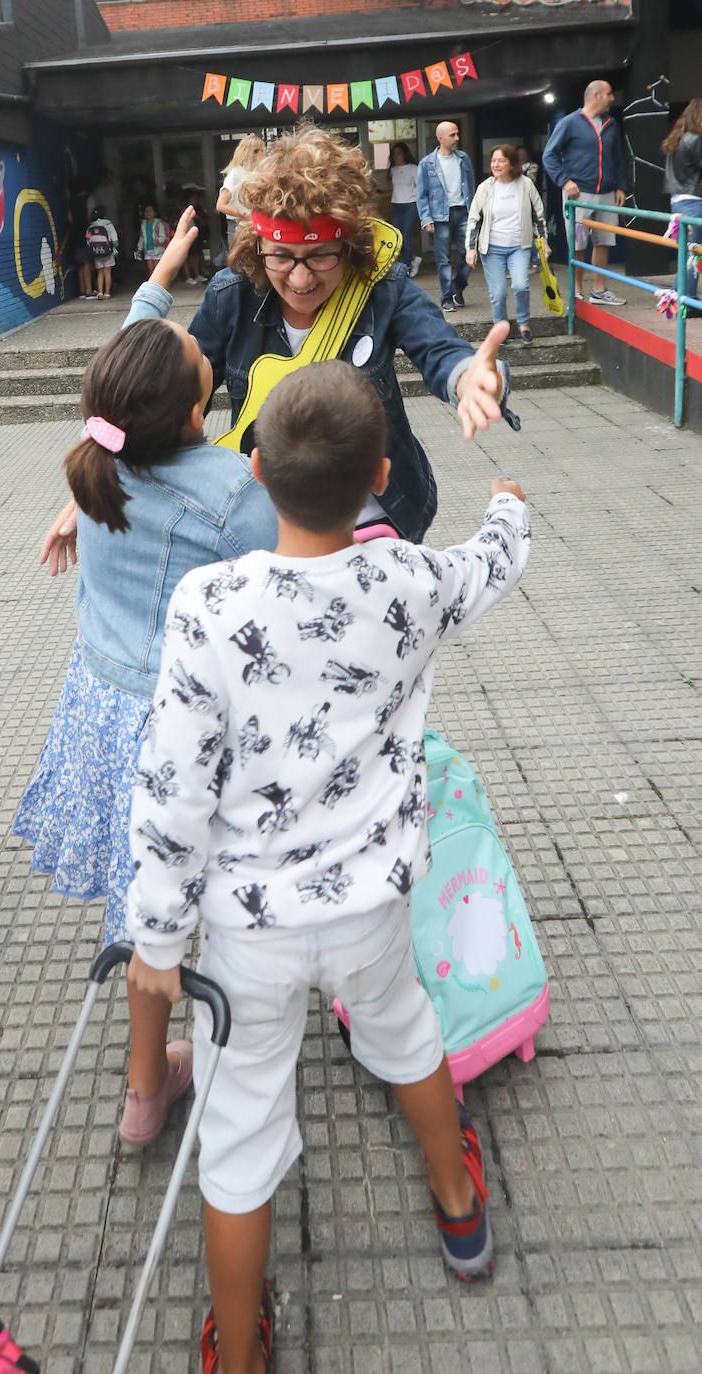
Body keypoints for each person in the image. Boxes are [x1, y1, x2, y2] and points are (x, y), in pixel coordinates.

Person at [125, 359, 530, 1374]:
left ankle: (240, 1350)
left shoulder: (207, 605)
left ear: (252, 468)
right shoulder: (408, 580)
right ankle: (458, 1206)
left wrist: (156, 936)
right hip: (371, 911)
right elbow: (492, 559)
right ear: (381, 474)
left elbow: (172, 785)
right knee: (405, 1034)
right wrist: (508, 508)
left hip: (243, 935)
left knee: (241, 1128)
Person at [14, 212, 279, 1148]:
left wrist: (164, 269)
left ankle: (141, 1088)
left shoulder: (102, 457)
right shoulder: (234, 497)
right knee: (187, 916)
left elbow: (137, 345)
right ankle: (203, 1069)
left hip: (100, 711)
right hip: (185, 736)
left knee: (140, 910)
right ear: (197, 412)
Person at [184, 123, 511, 547]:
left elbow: (439, 348)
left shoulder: (381, 287)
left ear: (349, 247)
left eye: (320, 256)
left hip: (379, 523)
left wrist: (470, 378)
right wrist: (110, 478)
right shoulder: (231, 297)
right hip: (270, 530)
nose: (300, 279)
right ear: (258, 246)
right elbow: (175, 403)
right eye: (281, 256)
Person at [542, 79, 628, 306]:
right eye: (609, 94)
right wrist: (564, 181)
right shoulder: (570, 122)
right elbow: (548, 155)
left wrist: (621, 186)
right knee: (578, 242)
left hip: (607, 193)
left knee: (605, 241)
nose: (612, 98)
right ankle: (577, 291)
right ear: (597, 95)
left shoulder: (611, 123)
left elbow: (618, 158)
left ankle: (599, 291)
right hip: (579, 195)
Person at [465, 144, 549, 344]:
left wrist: (543, 241)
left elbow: (538, 214)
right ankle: (500, 327)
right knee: (499, 292)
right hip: (492, 248)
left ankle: (524, 323)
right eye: (493, 160)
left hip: (519, 246)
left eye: (501, 160)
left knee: (520, 285)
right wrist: (470, 248)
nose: (496, 164)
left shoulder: (525, 184)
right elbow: (474, 219)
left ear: (512, 164)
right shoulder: (485, 187)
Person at [416, 121, 476, 312]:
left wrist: (474, 212)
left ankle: (457, 287)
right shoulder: (427, 163)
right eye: (452, 135)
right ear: (440, 138)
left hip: (463, 212)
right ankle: (446, 297)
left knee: (469, 254)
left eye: (457, 134)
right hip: (440, 216)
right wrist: (426, 219)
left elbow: (471, 186)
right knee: (443, 259)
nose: (457, 138)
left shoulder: (463, 158)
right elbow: (421, 194)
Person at [662, 97, 702, 308]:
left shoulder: (678, 139)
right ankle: (687, 302)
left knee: (687, 253)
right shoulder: (696, 139)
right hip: (694, 203)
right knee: (692, 254)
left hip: (678, 202)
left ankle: (677, 298)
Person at [215, 135, 265, 248]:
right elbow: (221, 205)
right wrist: (244, 215)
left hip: (255, 225)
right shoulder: (236, 174)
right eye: (261, 150)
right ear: (253, 153)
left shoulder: (258, 173)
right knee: (242, 262)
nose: (264, 153)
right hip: (239, 226)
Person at [387, 141, 422, 277]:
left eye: (398, 153)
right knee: (396, 237)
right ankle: (413, 258)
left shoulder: (414, 168)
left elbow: (420, 187)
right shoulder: (393, 170)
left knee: (406, 236)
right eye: (394, 154)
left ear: (404, 154)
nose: (396, 156)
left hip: (411, 204)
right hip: (396, 204)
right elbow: (392, 186)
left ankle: (407, 268)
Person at [86, 206, 119, 300]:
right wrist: (113, 246)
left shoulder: (91, 226)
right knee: (107, 272)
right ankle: (107, 293)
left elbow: (88, 240)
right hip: (108, 251)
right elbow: (115, 238)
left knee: (100, 272)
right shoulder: (108, 224)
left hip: (96, 252)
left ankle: (100, 292)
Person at [136, 203, 171, 278]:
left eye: (150, 211)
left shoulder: (159, 223)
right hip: (148, 249)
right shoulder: (143, 224)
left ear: (155, 213)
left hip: (157, 249)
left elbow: (163, 236)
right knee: (150, 268)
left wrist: (158, 241)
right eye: (146, 211)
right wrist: (139, 248)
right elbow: (142, 238)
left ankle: (159, 283)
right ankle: (153, 283)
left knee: (157, 268)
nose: (148, 213)